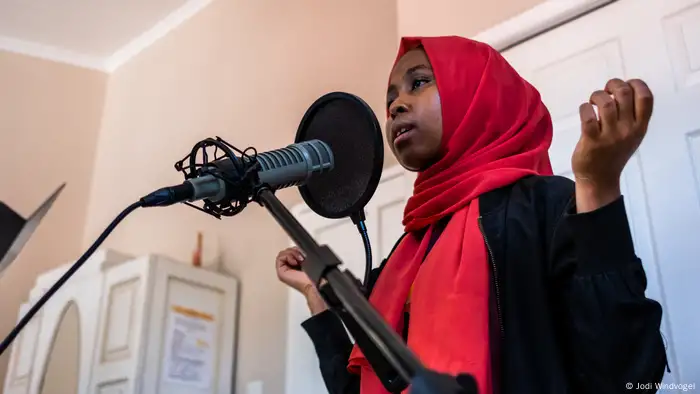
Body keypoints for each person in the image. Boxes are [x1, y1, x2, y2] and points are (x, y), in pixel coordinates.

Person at [275, 36, 668, 394]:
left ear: (478, 91)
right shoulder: (404, 256)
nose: (395, 105)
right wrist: (317, 300)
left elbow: (629, 376)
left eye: (419, 82)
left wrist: (598, 186)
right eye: (390, 98)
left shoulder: (545, 205)